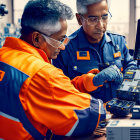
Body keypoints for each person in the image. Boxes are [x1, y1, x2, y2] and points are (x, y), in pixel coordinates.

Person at [0, 0, 106, 140]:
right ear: (37, 38)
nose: (62, 47)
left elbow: (49, 93)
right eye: (60, 40)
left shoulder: (5, 54)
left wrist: (86, 81)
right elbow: (86, 114)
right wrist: (105, 107)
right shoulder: (42, 73)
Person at [53, 0, 137, 103]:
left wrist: (128, 79)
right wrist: (93, 80)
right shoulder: (65, 49)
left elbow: (132, 67)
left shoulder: (118, 41)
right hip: (87, 115)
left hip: (119, 112)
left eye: (105, 17)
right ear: (79, 19)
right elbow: (59, 90)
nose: (101, 25)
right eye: (93, 19)